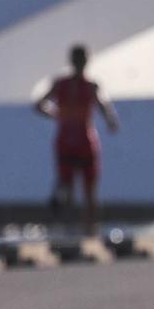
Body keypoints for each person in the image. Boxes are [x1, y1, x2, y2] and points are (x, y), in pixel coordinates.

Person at [34, 44, 119, 232]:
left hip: (68, 139)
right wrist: (111, 121)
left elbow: (39, 105)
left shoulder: (65, 85)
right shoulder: (88, 86)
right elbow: (105, 108)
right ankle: (84, 228)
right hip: (82, 140)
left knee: (73, 186)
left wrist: (58, 114)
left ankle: (79, 226)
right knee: (85, 189)